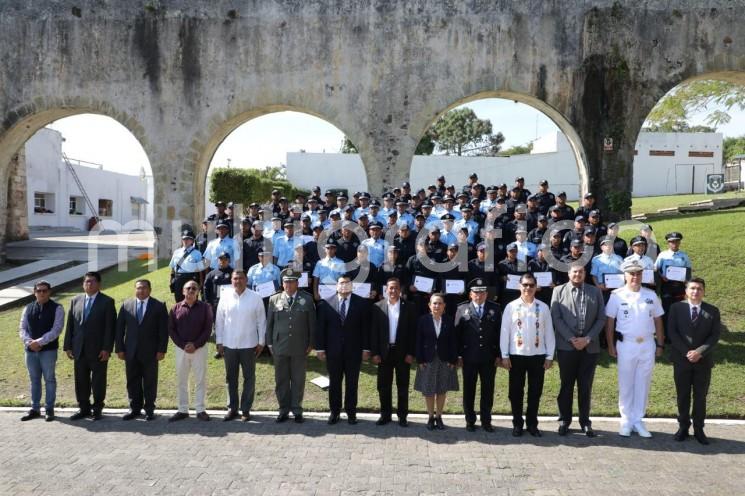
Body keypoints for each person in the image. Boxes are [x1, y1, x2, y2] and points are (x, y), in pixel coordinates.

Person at [605, 259, 665, 438]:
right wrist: (610, 344)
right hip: (626, 344)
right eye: (631, 273)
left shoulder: (651, 295)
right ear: (625, 275)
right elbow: (610, 322)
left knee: (643, 383)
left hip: (647, 344)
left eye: (638, 273)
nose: (635, 277)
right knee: (626, 383)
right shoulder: (617, 295)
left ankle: (638, 420)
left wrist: (660, 343)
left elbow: (658, 320)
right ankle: (625, 420)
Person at [550, 265, 606, 437]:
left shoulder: (595, 291)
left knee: (585, 386)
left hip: (589, 347)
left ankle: (585, 421)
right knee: (566, 385)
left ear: (585, 274)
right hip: (567, 346)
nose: (577, 274)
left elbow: (601, 318)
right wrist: (572, 339)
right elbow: (556, 317)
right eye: (574, 271)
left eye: (580, 272)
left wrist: (587, 339)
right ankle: (564, 421)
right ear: (569, 274)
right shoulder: (558, 291)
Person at [500, 273, 555, 437]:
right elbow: (505, 332)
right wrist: (504, 354)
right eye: (525, 285)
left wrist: (550, 356)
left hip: (538, 355)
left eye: (531, 285)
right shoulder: (510, 307)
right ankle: (517, 423)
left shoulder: (543, 307)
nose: (528, 288)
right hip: (516, 355)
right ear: (519, 286)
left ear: (536, 287)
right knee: (515, 392)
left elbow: (549, 333)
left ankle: (532, 424)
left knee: (535, 391)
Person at [667, 278, 721, 445]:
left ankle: (699, 429)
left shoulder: (713, 311)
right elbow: (672, 332)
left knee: (700, 397)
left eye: (699, 289)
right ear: (686, 291)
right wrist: (687, 352)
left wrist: (699, 352)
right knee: (682, 395)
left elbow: (714, 336)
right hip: (681, 361)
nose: (696, 291)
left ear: (704, 291)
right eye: (692, 288)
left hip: (703, 362)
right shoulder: (676, 308)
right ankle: (683, 427)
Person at [315, 275, 371, 425]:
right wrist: (320, 348)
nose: (344, 285)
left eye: (347, 283)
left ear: (352, 286)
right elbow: (321, 328)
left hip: (354, 351)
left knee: (352, 383)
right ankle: (335, 412)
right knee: (334, 382)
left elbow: (366, 328)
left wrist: (366, 349)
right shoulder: (326, 303)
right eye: (341, 283)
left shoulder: (362, 303)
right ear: (336, 286)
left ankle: (351, 412)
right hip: (333, 351)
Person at [63, 271, 117, 421]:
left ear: (99, 284)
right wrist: (68, 345)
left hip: (98, 350)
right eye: (86, 281)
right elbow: (70, 325)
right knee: (81, 381)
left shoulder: (107, 302)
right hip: (79, 349)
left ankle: (97, 409)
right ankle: (84, 408)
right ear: (83, 284)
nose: (89, 284)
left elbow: (109, 328)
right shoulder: (75, 300)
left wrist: (107, 348)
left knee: (98, 381)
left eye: (92, 281)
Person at [214, 270, 266, 421]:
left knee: (249, 378)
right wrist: (219, 341)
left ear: (246, 280)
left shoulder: (255, 297)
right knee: (231, 378)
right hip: (229, 344)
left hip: (249, 344)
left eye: (241, 278)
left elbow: (261, 321)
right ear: (231, 280)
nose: (238, 281)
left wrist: (261, 341)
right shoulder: (225, 297)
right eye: (235, 278)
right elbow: (219, 321)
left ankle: (246, 409)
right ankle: (232, 408)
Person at [266, 268, 316, 423]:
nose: (288, 285)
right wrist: (269, 342)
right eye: (286, 282)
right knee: (281, 379)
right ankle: (283, 409)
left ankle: (297, 409)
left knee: (298, 379)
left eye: (291, 281)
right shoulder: (274, 299)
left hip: (300, 345)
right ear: (282, 283)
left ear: (297, 283)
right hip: (279, 345)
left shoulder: (307, 299)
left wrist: (311, 342)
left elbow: (312, 324)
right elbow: (270, 324)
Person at [114, 279, 169, 421]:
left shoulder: (159, 306)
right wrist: (119, 348)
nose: (141, 290)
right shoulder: (126, 305)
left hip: (151, 352)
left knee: (150, 381)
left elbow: (163, 331)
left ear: (150, 290)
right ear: (135, 289)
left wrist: (161, 350)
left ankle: (150, 409)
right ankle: (134, 409)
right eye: (138, 288)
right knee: (132, 381)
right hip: (130, 352)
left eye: (144, 288)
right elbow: (119, 329)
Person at [455, 279, 501, 432]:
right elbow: (457, 335)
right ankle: (470, 420)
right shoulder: (462, 309)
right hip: (469, 358)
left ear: (486, 294)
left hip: (489, 357)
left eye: (482, 292)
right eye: (476, 292)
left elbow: (500, 334)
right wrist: (459, 356)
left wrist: (499, 355)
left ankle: (486, 420)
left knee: (488, 390)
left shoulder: (495, 309)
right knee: (469, 390)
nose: (479, 295)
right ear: (470, 294)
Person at [370, 278, 417, 427]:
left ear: (400, 290)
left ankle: (402, 416)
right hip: (384, 352)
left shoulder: (409, 307)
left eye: (396, 288)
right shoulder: (377, 307)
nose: (393, 291)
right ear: (386, 290)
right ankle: (385, 415)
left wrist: (411, 353)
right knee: (383, 386)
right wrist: (375, 353)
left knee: (402, 386)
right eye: (390, 288)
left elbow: (413, 333)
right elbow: (374, 332)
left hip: (402, 353)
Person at [18, 280, 64, 421]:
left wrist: (39, 342)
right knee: (34, 380)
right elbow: (22, 328)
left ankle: (49, 409)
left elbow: (57, 329)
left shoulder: (57, 308)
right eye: (39, 290)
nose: (42, 293)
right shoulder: (27, 308)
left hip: (48, 351)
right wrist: (28, 341)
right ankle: (35, 409)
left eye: (45, 290)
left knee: (49, 379)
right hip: (30, 351)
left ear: (49, 292)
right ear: (34, 292)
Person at [168, 280, 213, 422]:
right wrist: (183, 345)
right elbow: (171, 330)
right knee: (182, 380)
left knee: (200, 380)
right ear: (183, 291)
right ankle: (182, 409)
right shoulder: (175, 308)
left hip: (199, 349)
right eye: (188, 288)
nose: (191, 290)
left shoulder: (205, 307)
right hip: (181, 350)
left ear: (198, 291)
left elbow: (208, 329)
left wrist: (196, 344)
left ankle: (200, 409)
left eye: (194, 288)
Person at [414, 293, 459, 431]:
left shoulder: (449, 320)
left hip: (444, 360)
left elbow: (453, 341)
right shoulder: (423, 320)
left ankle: (439, 416)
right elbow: (419, 341)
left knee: (441, 390)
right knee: (428, 390)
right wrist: (420, 360)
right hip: (428, 360)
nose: (437, 306)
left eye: (440, 303)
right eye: (434, 303)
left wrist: (453, 360)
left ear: (444, 306)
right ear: (429, 305)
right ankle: (430, 417)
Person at [655, 232, 692, 337]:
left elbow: (688, 271)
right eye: (671, 242)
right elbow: (656, 269)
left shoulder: (684, 256)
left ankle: (679, 333)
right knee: (666, 310)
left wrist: (687, 280)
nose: (674, 244)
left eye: (676, 241)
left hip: (680, 287)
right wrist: (662, 276)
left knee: (679, 310)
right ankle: (666, 335)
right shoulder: (662, 255)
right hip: (666, 286)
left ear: (679, 242)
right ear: (668, 243)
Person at [169, 229, 205, 303]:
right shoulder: (176, 252)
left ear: (192, 241)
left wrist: (201, 283)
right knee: (178, 299)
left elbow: (200, 270)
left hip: (191, 278)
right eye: (184, 239)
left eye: (188, 239)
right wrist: (171, 280)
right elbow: (173, 267)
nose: (185, 241)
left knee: (192, 300)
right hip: (179, 278)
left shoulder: (197, 253)